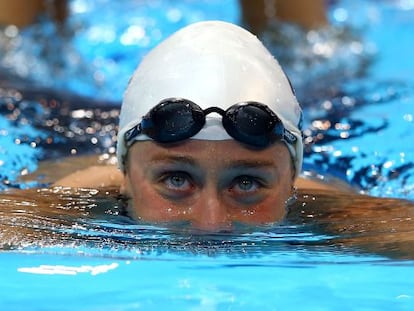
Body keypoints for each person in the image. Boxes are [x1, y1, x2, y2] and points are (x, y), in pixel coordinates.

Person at [54, 21, 353, 231]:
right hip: (60, 121)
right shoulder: (64, 201)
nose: (211, 225)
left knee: (306, 46)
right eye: (176, 180)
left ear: (292, 182)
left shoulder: (341, 213)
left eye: (246, 183)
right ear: (125, 177)